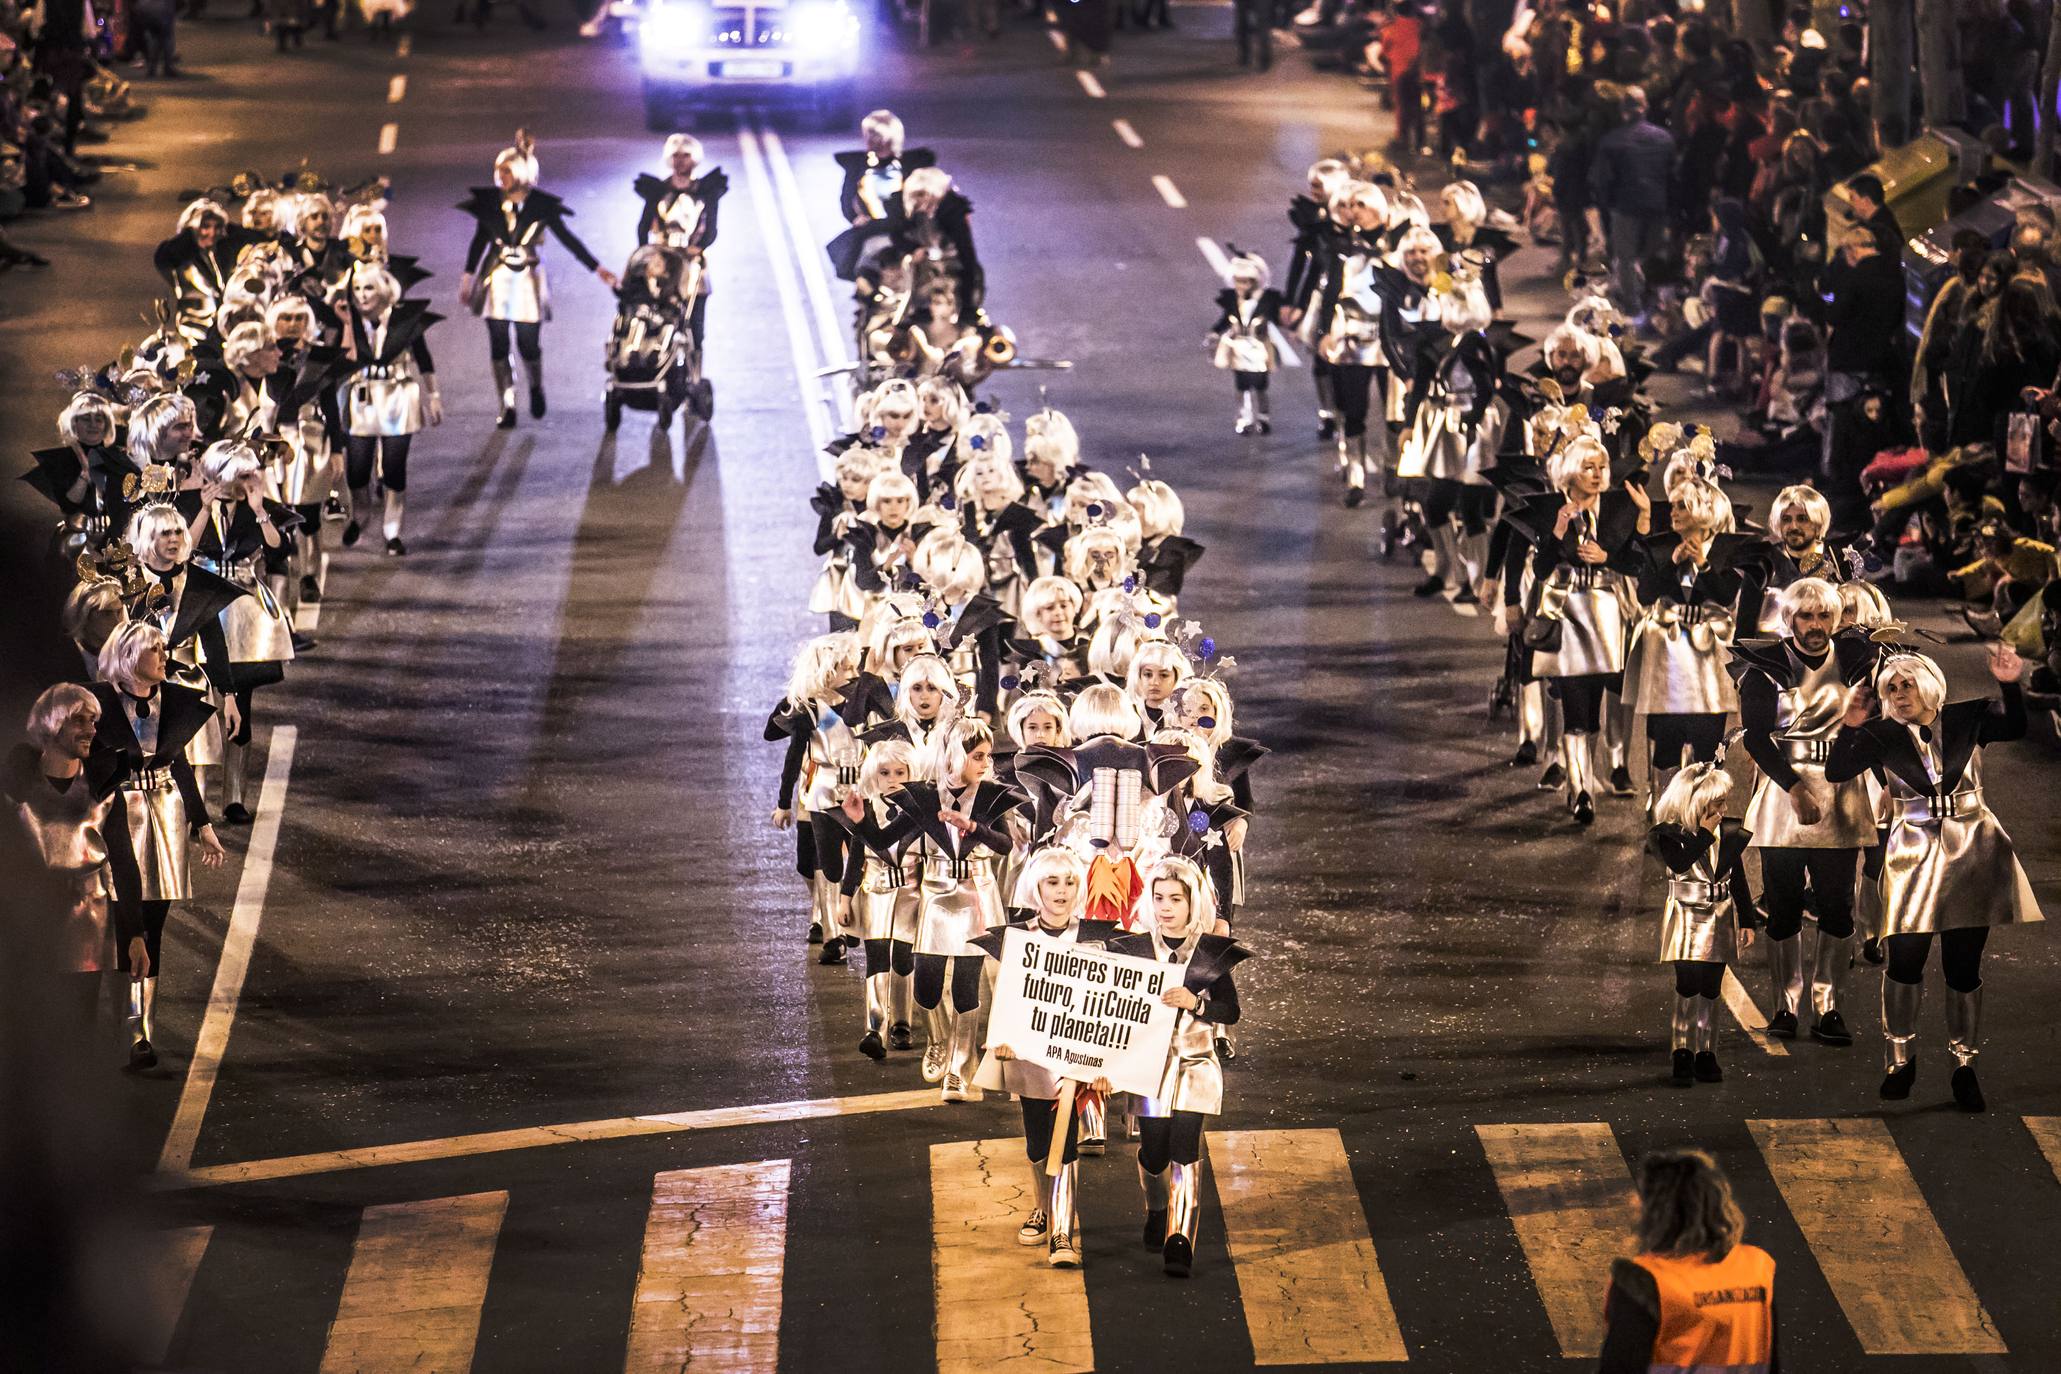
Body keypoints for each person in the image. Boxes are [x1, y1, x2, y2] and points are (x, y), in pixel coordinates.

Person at [1826, 644, 2044, 1111]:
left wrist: (2009, 682)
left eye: (1907, 684)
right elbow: (1836, 769)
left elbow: (2017, 727)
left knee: (1963, 967)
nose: (1900, 694)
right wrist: (1849, 724)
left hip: (1973, 850)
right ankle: (1899, 1060)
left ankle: (1964, 1066)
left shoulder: (1968, 718)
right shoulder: (1881, 735)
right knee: (1905, 960)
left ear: (1928, 684)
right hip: (1912, 853)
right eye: (1891, 687)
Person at [1728, 577, 1878, 1046]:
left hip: (1842, 788)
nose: (1815, 626)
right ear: (1789, 619)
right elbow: (1755, 737)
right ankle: (1786, 1004)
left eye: (1823, 617)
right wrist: (1793, 788)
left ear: (1835, 619)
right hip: (1783, 789)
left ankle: (1828, 1004)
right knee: (1784, 903)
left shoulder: (1858, 661)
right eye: (1805, 617)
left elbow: (1883, 719)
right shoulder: (1765, 666)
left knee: (1837, 905)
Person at [88, 621, 228, 1069]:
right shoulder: (102, 703)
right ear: (131, 658)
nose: (164, 658)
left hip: (165, 814)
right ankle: (119, 1025)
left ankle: (141, 1027)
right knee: (120, 920)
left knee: (153, 924)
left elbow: (179, 760)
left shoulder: (170, 699)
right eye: (155, 651)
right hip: (119, 812)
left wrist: (203, 823)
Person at [973, 847, 1121, 1269]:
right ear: (1036, 887)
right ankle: (1042, 1205)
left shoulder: (1099, 937)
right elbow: (1001, 991)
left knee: (1068, 1140)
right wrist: (999, 1036)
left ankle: (1062, 1230)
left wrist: (1108, 1060)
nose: (1061, 891)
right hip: (1031, 1056)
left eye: (1070, 882)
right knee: (1040, 1144)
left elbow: (1116, 999)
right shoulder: (1015, 937)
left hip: (1078, 1058)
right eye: (1053, 883)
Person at [1105, 857, 1248, 1279]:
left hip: (1197, 1062)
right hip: (1150, 1066)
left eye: (1176, 899)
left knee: (1186, 1148)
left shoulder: (1210, 952)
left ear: (1192, 903)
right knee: (1154, 1151)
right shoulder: (1132, 949)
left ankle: (1179, 1238)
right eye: (1159, 898)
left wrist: (1198, 1003)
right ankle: (1156, 1208)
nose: (1166, 906)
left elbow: (1232, 1011)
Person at [457, 130, 618, 429]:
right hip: (497, 276)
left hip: (528, 277)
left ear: (520, 173)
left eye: (507, 171)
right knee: (498, 341)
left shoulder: (541, 206)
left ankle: (535, 385)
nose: (501, 176)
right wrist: (468, 279)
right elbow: (480, 241)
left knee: (528, 342)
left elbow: (569, 240)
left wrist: (598, 269)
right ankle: (506, 402)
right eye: (499, 171)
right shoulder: (491, 204)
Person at [6, 684, 128, 1035]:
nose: (91, 730)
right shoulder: (16, 786)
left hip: (87, 920)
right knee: (30, 1022)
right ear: (53, 723)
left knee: (79, 1023)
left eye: (94, 721)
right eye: (79, 721)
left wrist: (134, 934)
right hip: (32, 921)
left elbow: (123, 860)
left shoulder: (103, 786)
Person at [1596, 1151, 1778, 1374]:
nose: (1633, 1200)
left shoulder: (1644, 1280)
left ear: (1658, 1210)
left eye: (1641, 1193)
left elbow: (1620, 1367)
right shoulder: (1756, 1267)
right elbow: (1771, 1360)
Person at [1647, 762, 1762, 1085]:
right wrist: (1705, 835)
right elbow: (1680, 863)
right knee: (1687, 983)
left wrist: (1747, 919)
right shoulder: (1666, 834)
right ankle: (1681, 1050)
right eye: (1717, 804)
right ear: (1697, 804)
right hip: (1685, 912)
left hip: (1719, 912)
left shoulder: (1728, 832)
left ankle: (1706, 1051)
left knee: (1712, 987)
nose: (1724, 810)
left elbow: (1736, 876)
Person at [338, 264, 442, 555]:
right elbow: (343, 359)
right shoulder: (351, 321)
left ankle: (392, 530)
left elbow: (423, 358)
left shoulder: (405, 319)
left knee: (394, 469)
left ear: (384, 291)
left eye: (368, 288)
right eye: (357, 289)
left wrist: (433, 395)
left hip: (398, 396)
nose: (362, 295)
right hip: (363, 398)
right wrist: (347, 323)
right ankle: (360, 513)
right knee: (357, 470)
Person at [631, 134, 726, 352]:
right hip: (662, 262)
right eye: (676, 156)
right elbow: (642, 226)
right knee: (657, 317)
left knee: (695, 324)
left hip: (692, 262)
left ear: (694, 159)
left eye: (686, 156)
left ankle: (694, 370)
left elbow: (711, 228)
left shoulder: (706, 192)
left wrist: (697, 248)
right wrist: (648, 254)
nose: (681, 161)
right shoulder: (658, 191)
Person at [1590, 87, 1675, 318]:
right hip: (1657, 205)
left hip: (1625, 206)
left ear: (1622, 111)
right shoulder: (1664, 139)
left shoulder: (1612, 141)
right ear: (1645, 107)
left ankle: (1632, 304)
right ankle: (1654, 302)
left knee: (1625, 257)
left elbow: (1602, 181)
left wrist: (1605, 210)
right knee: (1652, 253)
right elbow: (1672, 175)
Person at [1208, 251, 1281, 436]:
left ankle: (1263, 417)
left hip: (1259, 349)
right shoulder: (1232, 301)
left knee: (1260, 385)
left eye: (1246, 281)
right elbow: (1225, 320)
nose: (1241, 285)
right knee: (1242, 385)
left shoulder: (1266, 301)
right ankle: (1244, 418)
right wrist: (1215, 332)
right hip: (1238, 349)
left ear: (1254, 282)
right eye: (1238, 281)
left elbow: (1279, 318)